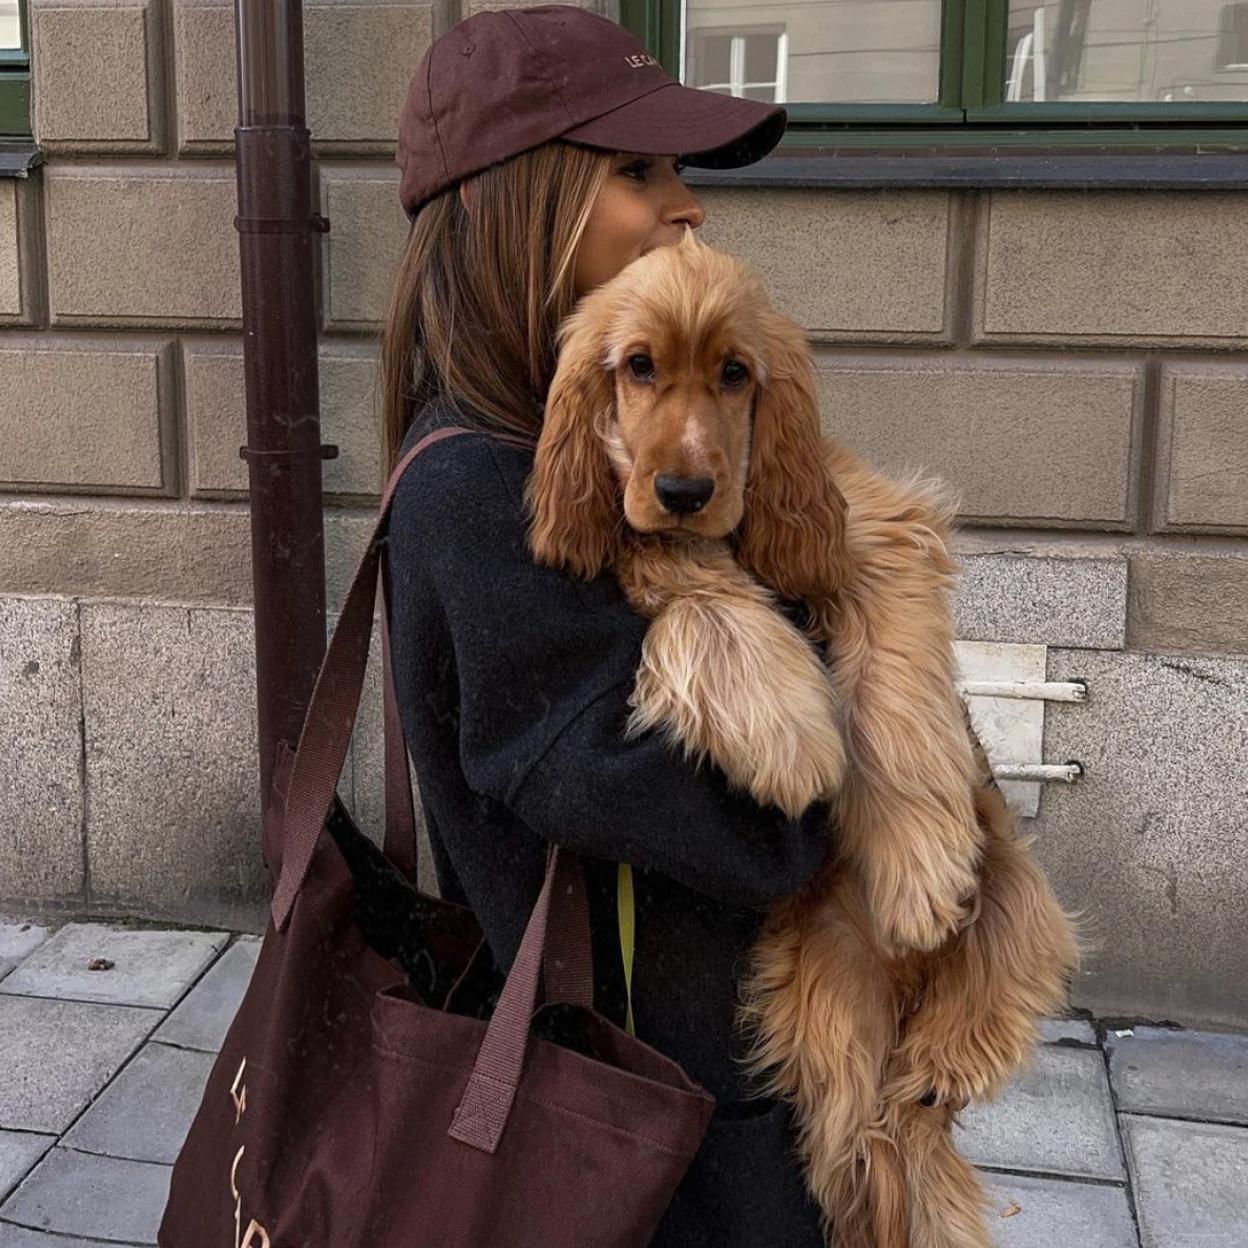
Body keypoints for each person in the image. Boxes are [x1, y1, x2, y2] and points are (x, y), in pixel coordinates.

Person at [382, 7, 831, 1244]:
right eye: (638, 172)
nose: (686, 206)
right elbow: (759, 834)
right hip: (661, 1124)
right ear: (510, 203)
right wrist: (891, 740)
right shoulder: (484, 491)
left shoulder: (585, 453)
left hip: (696, 1088)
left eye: (678, 172)